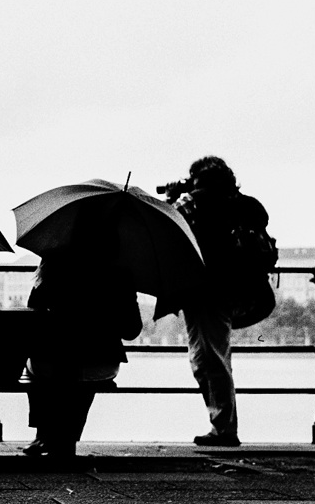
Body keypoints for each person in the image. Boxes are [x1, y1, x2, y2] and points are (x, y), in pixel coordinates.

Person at [166, 155, 271, 447]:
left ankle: (224, 429)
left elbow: (168, 224)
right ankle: (222, 425)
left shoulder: (192, 201)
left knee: (210, 359)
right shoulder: (246, 204)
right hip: (242, 289)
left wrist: (176, 195)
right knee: (211, 356)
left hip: (206, 289)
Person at [22, 208, 142, 461]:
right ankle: (67, 438)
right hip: (100, 361)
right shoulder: (120, 273)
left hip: (53, 361)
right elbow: (132, 331)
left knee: (36, 366)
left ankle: (44, 433)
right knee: (82, 376)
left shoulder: (53, 263)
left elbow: (34, 313)